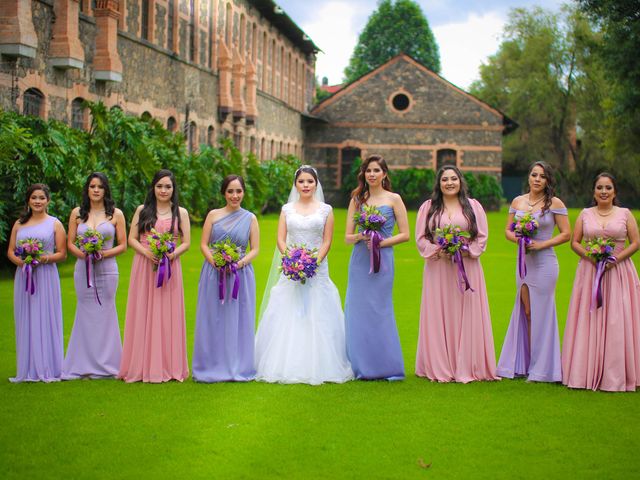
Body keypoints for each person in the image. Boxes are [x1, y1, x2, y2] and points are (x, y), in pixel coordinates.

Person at [255, 166, 353, 385]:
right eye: (302, 181)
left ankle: (322, 362)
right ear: (296, 184)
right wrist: (291, 259)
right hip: (291, 266)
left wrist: (313, 262)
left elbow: (327, 240)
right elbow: (281, 238)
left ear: (316, 184)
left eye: (310, 181)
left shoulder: (326, 210)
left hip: (317, 267)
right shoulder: (287, 209)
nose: (306, 185)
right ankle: (284, 362)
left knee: (318, 307)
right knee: (287, 307)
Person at [415, 166, 498, 383]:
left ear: (460, 181)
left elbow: (482, 237)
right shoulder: (428, 207)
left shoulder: (473, 206)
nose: (449, 183)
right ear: (439, 183)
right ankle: (440, 364)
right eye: (445, 179)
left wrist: (465, 249)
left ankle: (469, 364)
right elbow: (421, 238)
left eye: (454, 178)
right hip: (438, 269)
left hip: (467, 267)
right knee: (438, 312)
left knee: (467, 311)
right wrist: (438, 251)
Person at [562, 173, 640, 391]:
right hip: (590, 273)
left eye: (608, 188)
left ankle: (615, 375)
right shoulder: (585, 214)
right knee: (590, 316)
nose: (604, 192)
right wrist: (591, 256)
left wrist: (615, 259)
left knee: (617, 319)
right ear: (593, 192)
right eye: (599, 188)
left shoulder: (625, 214)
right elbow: (574, 242)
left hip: (618, 272)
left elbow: (636, 242)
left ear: (615, 192)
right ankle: (584, 371)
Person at [496, 162, 570, 382]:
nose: (537, 179)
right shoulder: (518, 201)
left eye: (543, 176)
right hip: (523, 262)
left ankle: (544, 368)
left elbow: (566, 234)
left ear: (548, 181)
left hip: (546, 263)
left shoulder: (554, 203)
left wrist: (542, 245)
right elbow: (507, 231)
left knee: (543, 314)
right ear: (528, 177)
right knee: (527, 312)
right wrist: (518, 239)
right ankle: (526, 363)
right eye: (534, 175)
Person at [118, 169, 191, 383]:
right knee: (143, 310)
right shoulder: (142, 210)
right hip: (144, 265)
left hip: (170, 267)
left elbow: (186, 242)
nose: (163, 190)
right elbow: (132, 238)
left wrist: (171, 254)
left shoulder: (181, 213)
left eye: (168, 186)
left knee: (167, 313)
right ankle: (140, 365)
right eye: (159, 186)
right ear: (153, 188)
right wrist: (148, 253)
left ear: (173, 189)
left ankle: (167, 365)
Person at [344, 155, 409, 380]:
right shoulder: (357, 199)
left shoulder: (394, 199)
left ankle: (386, 365)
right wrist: (363, 236)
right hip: (360, 260)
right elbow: (347, 237)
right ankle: (360, 365)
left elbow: (405, 234)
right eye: (368, 170)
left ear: (384, 173)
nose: (372, 174)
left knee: (380, 310)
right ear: (364, 174)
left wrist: (381, 241)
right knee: (358, 310)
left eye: (376, 170)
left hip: (383, 259)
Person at [193, 175, 260, 382]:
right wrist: (215, 261)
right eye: (230, 191)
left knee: (239, 320)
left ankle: (236, 365)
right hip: (214, 273)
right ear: (223, 193)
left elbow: (255, 249)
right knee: (212, 317)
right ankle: (210, 364)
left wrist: (239, 264)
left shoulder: (250, 218)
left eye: (238, 191)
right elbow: (204, 244)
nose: (234, 195)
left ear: (243, 193)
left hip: (241, 274)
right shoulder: (213, 215)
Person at [62, 173, 127, 379]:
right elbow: (70, 242)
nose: (96, 190)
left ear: (106, 190)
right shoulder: (77, 214)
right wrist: (82, 254)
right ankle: (82, 362)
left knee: (106, 311)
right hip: (83, 269)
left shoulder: (116, 214)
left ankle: (108, 363)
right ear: (87, 189)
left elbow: (123, 245)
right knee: (85, 312)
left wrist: (103, 254)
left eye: (100, 186)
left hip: (107, 270)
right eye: (92, 186)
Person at [7, 184, 67, 382]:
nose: (38, 201)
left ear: (48, 201)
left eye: (42, 198)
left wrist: (42, 259)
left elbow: (62, 253)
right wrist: (22, 262)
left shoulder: (55, 224)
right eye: (34, 197)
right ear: (28, 200)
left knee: (45, 316)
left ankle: (48, 365)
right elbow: (10, 251)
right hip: (24, 276)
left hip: (46, 276)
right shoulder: (19, 224)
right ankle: (28, 366)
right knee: (27, 317)